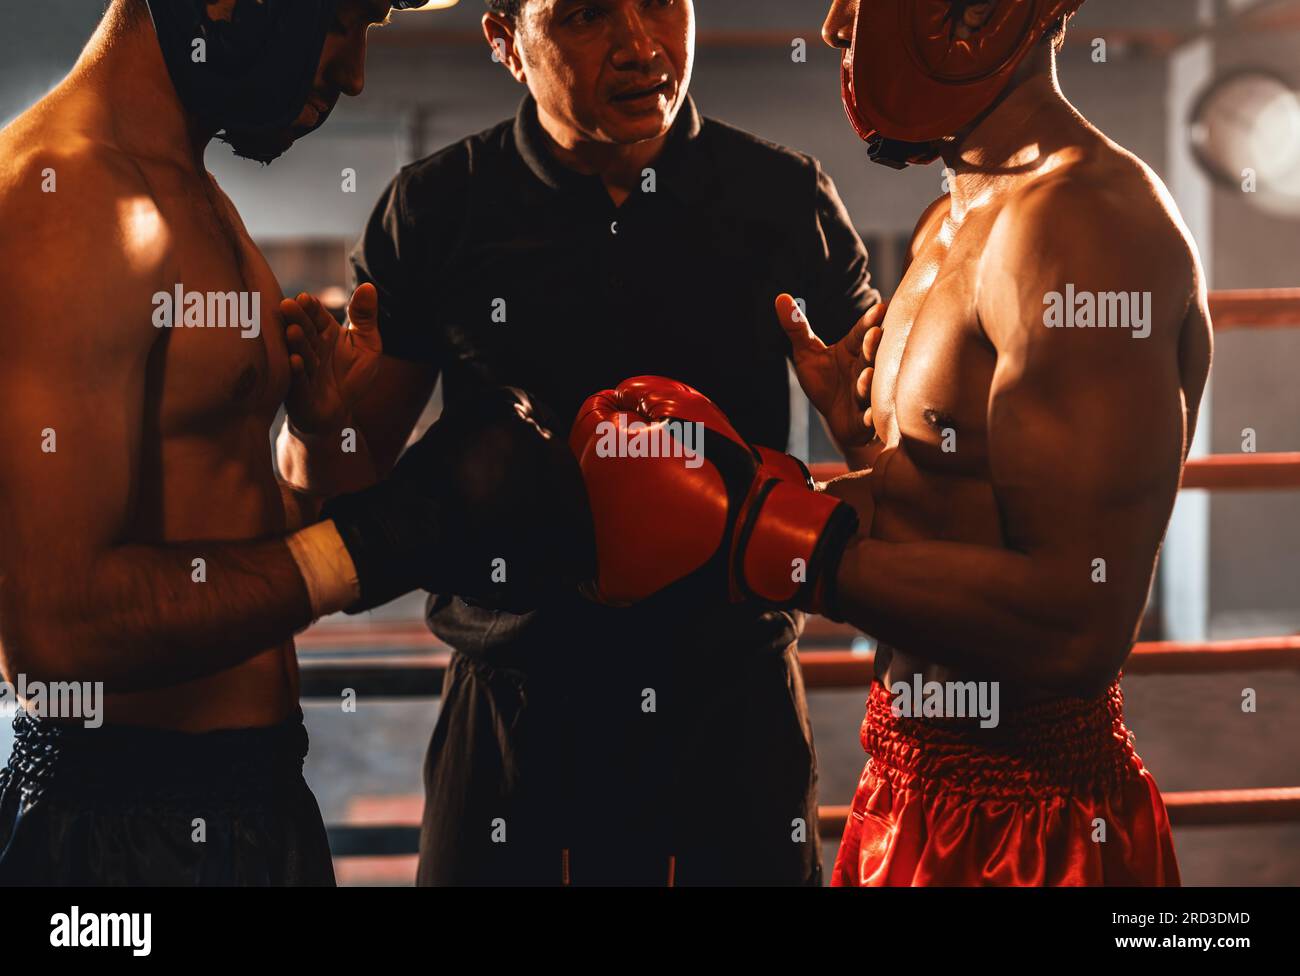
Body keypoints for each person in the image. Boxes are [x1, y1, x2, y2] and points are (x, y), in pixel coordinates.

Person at [571, 0, 1209, 886]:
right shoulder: (951, 221)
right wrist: (863, 444)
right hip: (910, 776)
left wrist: (777, 537)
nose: (836, 26)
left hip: (1033, 819)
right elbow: (961, 507)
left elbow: (1075, 623)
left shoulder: (1085, 225)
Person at [283, 0, 881, 885]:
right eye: (588, 15)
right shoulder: (441, 207)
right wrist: (312, 420)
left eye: (661, 4)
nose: (641, 46)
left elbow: (891, 446)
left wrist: (864, 425)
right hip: (513, 715)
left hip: (732, 710)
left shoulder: (781, 197)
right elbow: (337, 482)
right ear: (505, 42)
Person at [0, 0, 591, 886]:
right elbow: (56, 629)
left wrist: (314, 449)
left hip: (250, 797)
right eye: (344, 21)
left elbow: (211, 540)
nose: (353, 73)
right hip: (120, 828)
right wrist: (376, 543)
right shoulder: (67, 196)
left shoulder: (188, 190)